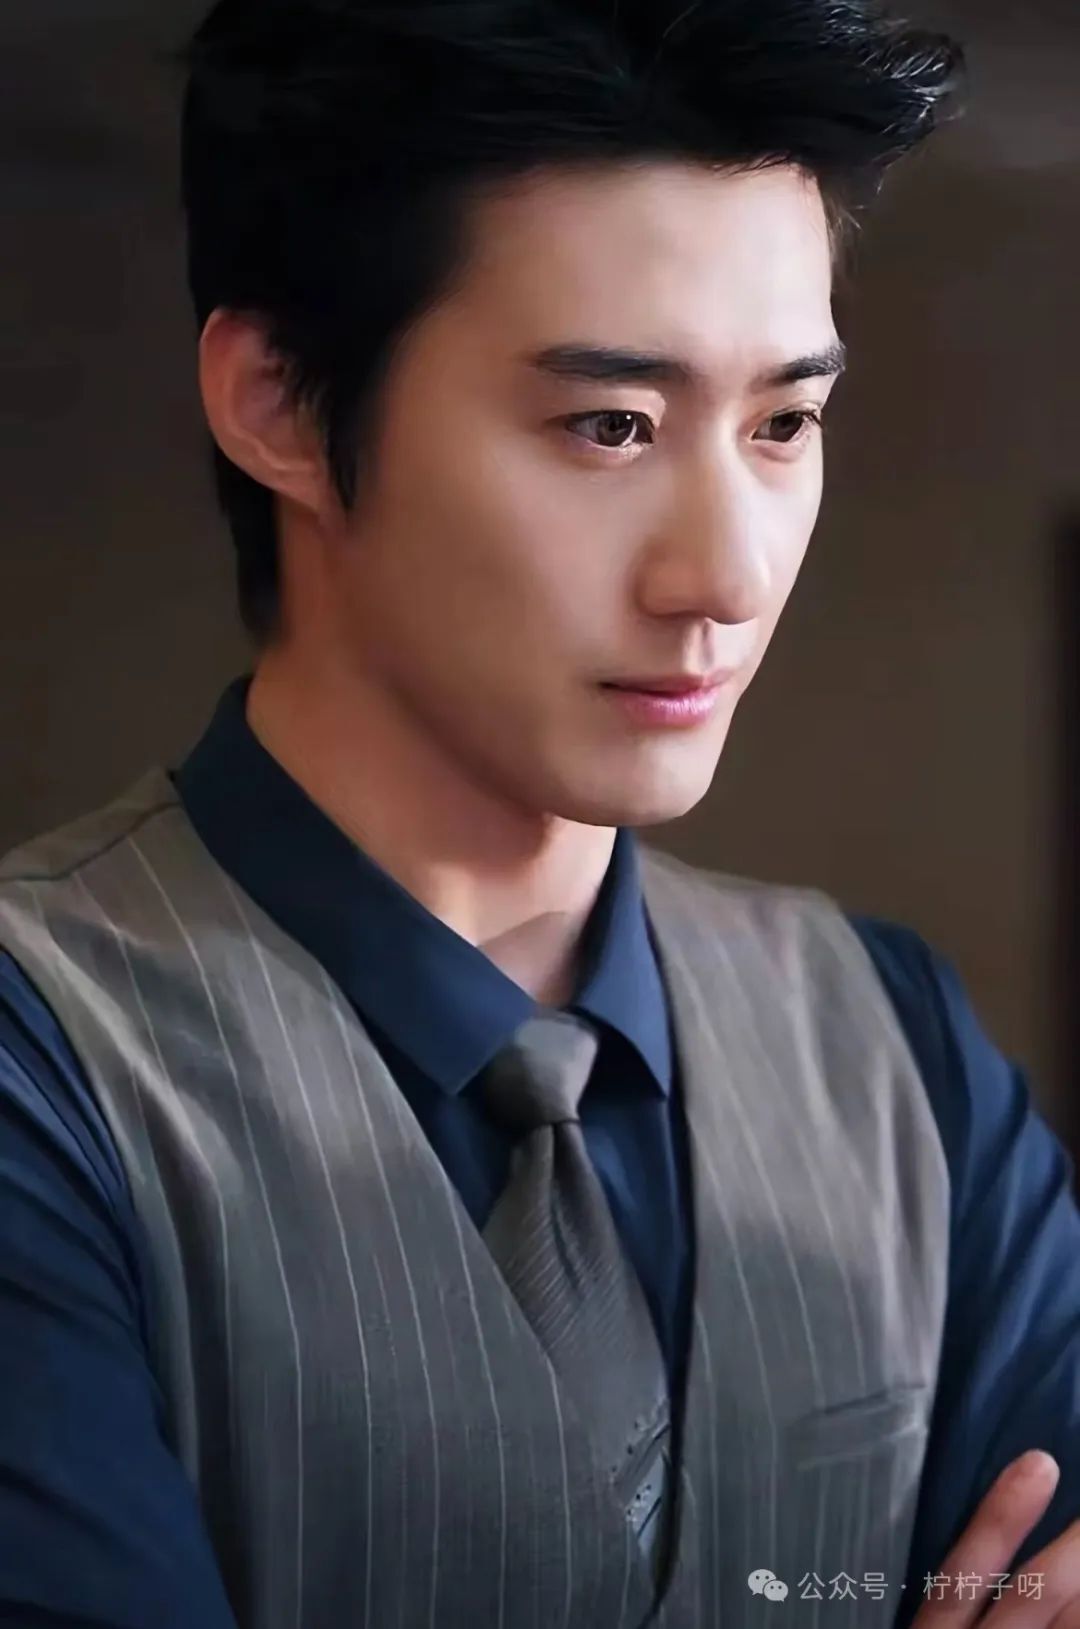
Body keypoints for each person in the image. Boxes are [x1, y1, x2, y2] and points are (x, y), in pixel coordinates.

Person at [0, 0, 1077, 1624]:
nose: (726, 574)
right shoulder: (44, 1072)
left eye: (785, 422)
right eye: (611, 425)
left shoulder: (899, 1053)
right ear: (280, 400)